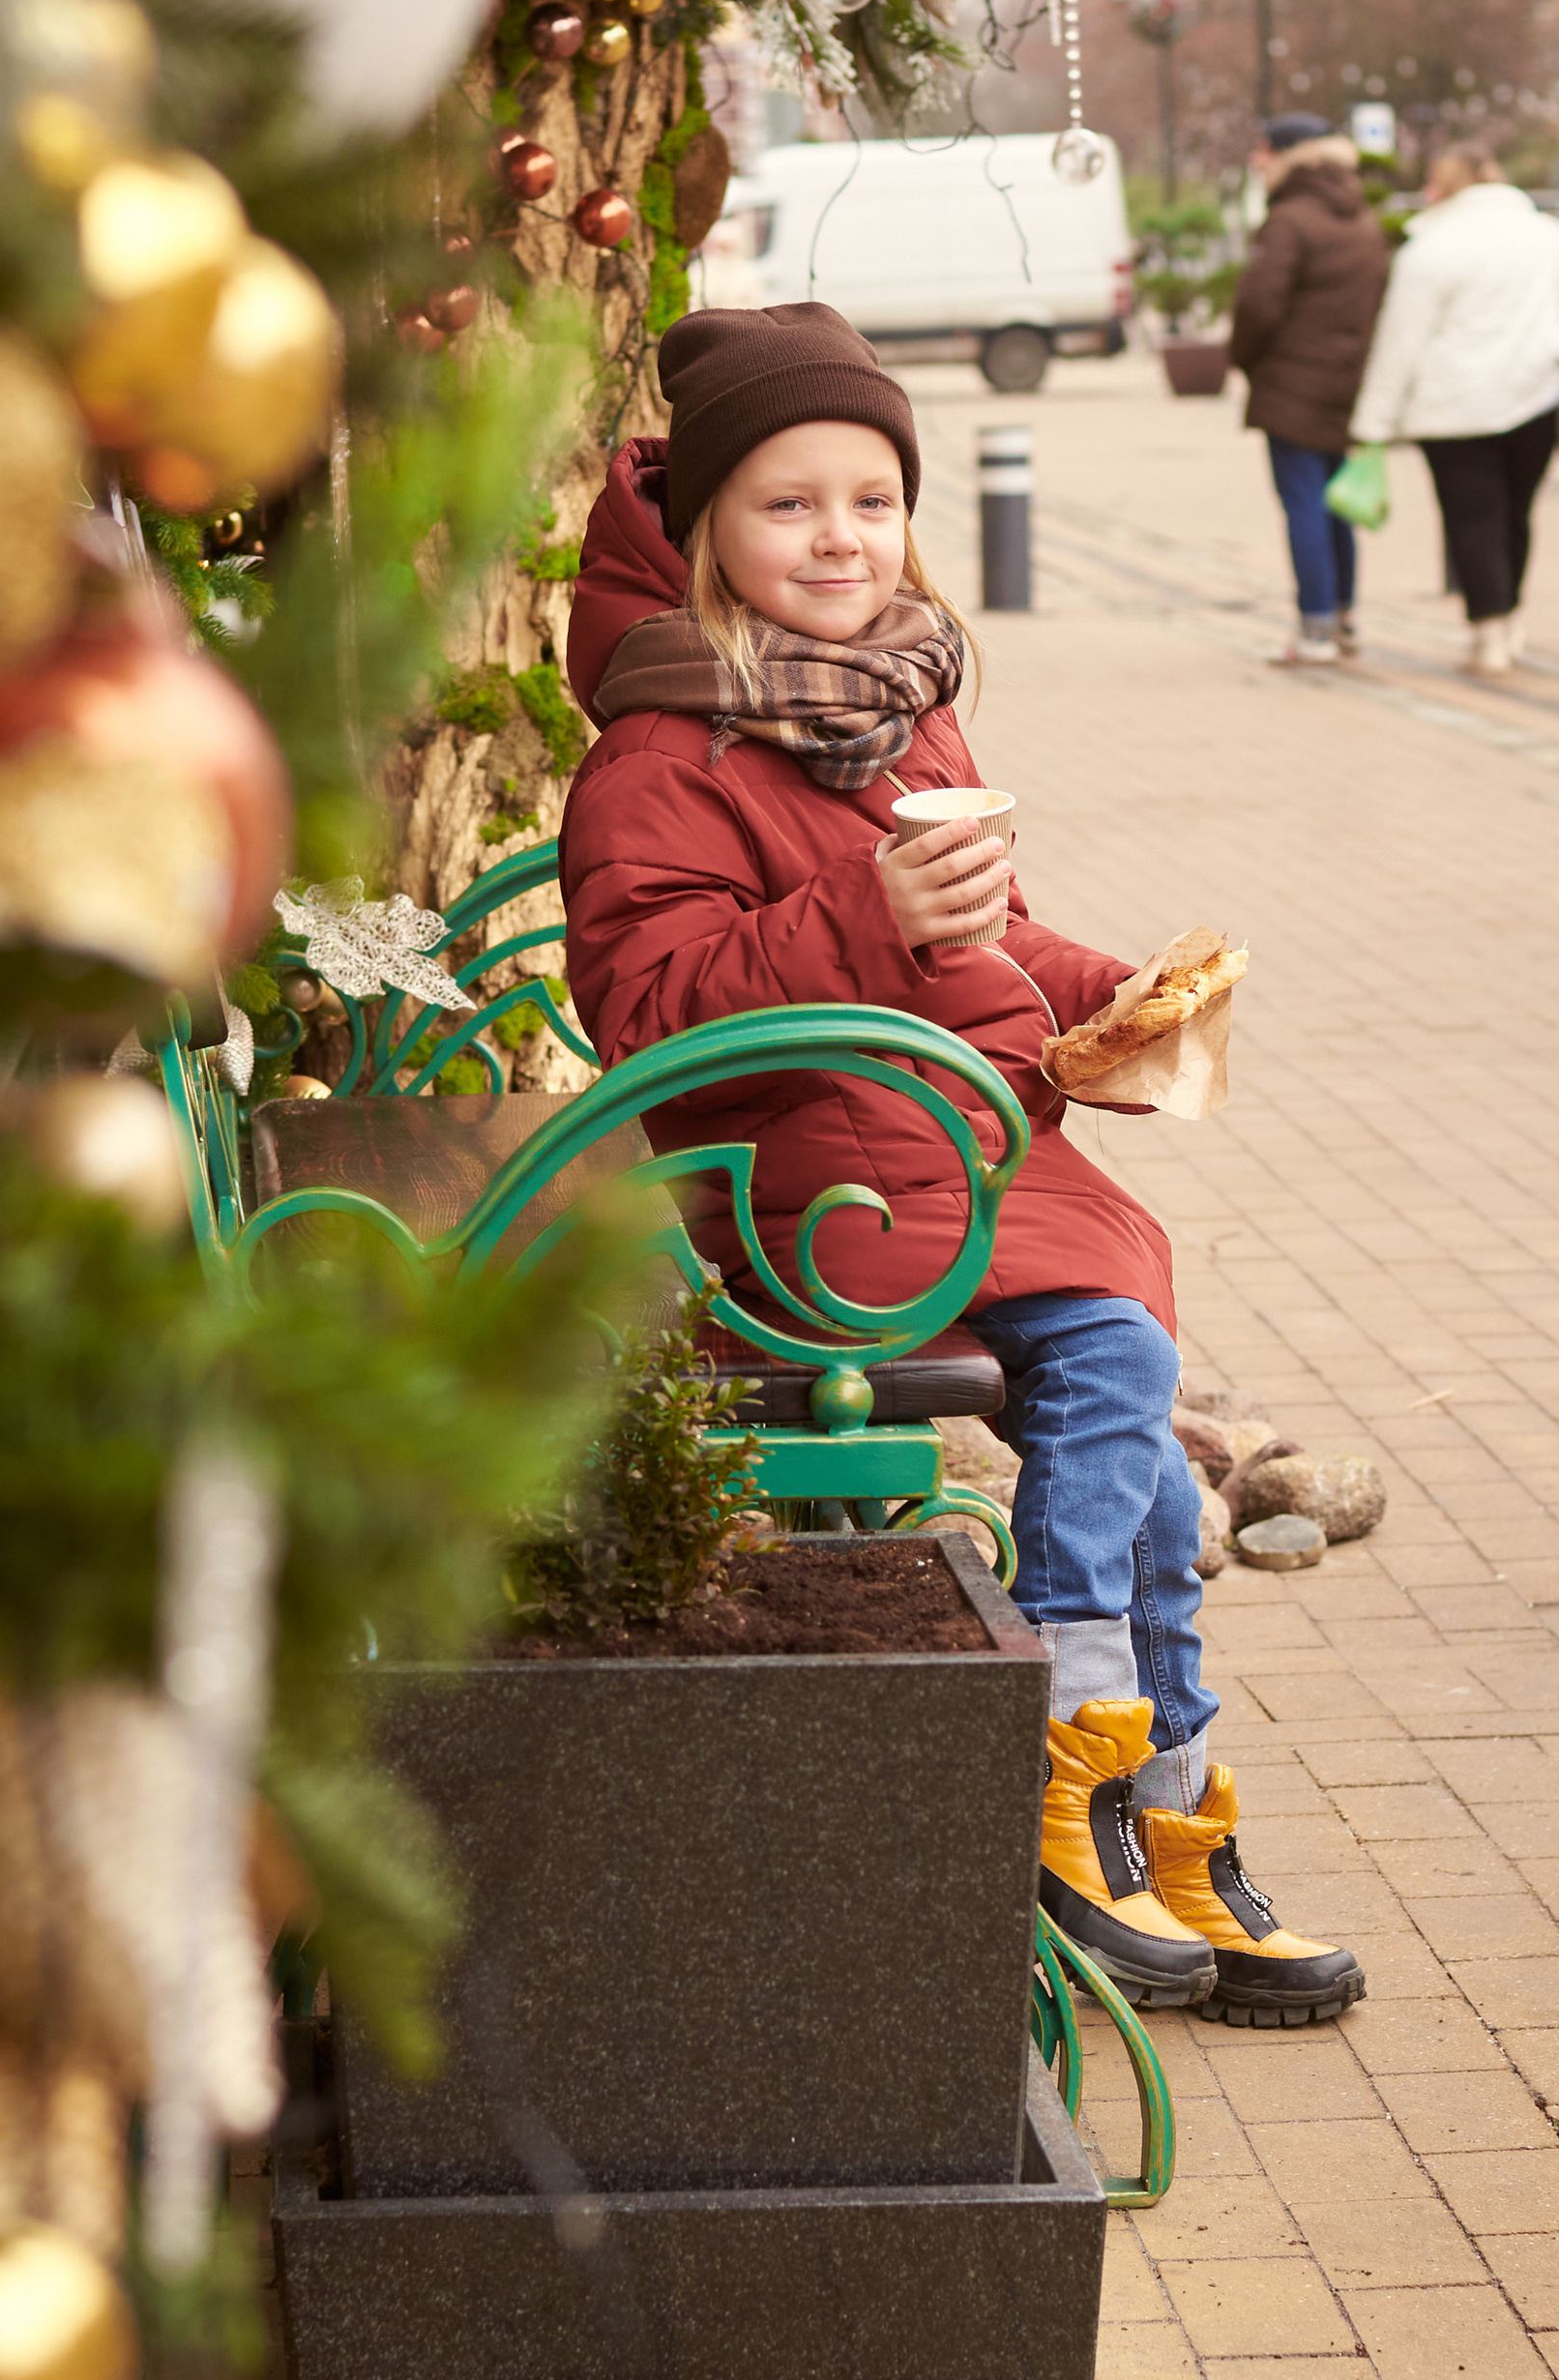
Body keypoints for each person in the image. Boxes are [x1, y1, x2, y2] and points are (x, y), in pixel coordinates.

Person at [559, 301, 1363, 2028]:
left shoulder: (901, 707)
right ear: (703, 531)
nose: (840, 537)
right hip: (811, 1202)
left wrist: (1106, 997)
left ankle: (1150, 1809)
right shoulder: (655, 752)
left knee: (1144, 1467)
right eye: (788, 504)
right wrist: (860, 916)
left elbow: (985, 939)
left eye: (871, 497)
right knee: (1120, 1359)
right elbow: (647, 1010)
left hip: (943, 1154)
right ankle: (1064, 1777)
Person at [1346, 145, 1559, 676]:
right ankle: (1510, 620)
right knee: (1516, 512)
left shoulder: (1430, 247)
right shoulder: (1550, 239)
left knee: (1470, 518)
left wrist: (1372, 424)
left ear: (1442, 188)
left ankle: (1487, 629)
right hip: (1535, 396)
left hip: (1452, 408)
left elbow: (1401, 341)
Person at [1227, 116, 1390, 666]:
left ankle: (1315, 630)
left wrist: (1242, 356)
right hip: (1348, 380)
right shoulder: (1362, 216)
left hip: (1292, 384)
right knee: (1336, 503)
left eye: (1264, 150)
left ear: (1287, 156)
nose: (1257, 161)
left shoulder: (1289, 219)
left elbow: (1258, 304)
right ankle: (1342, 618)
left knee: (1303, 503)